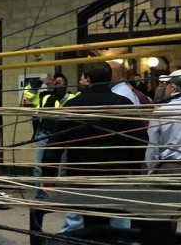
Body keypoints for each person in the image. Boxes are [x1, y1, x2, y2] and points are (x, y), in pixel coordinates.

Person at [45, 62, 148, 231]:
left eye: (82, 77)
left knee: (80, 220)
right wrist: (133, 168)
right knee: (115, 219)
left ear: (87, 79)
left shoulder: (72, 106)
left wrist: (47, 175)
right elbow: (139, 140)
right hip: (116, 176)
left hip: (80, 176)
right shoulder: (123, 104)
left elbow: (55, 144)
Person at [23, 73, 76, 199]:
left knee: (62, 169)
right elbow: (29, 93)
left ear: (66, 84)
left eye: (60, 81)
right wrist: (39, 81)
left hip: (61, 137)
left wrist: (56, 87)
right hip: (44, 136)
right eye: (55, 81)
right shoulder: (45, 97)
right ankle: (40, 197)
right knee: (39, 167)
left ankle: (63, 197)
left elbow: (62, 97)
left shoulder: (71, 97)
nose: (56, 83)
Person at [146, 69, 181, 175]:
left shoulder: (162, 111)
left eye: (167, 85)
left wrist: (151, 171)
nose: (165, 88)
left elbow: (153, 146)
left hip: (170, 168)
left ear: (174, 88)